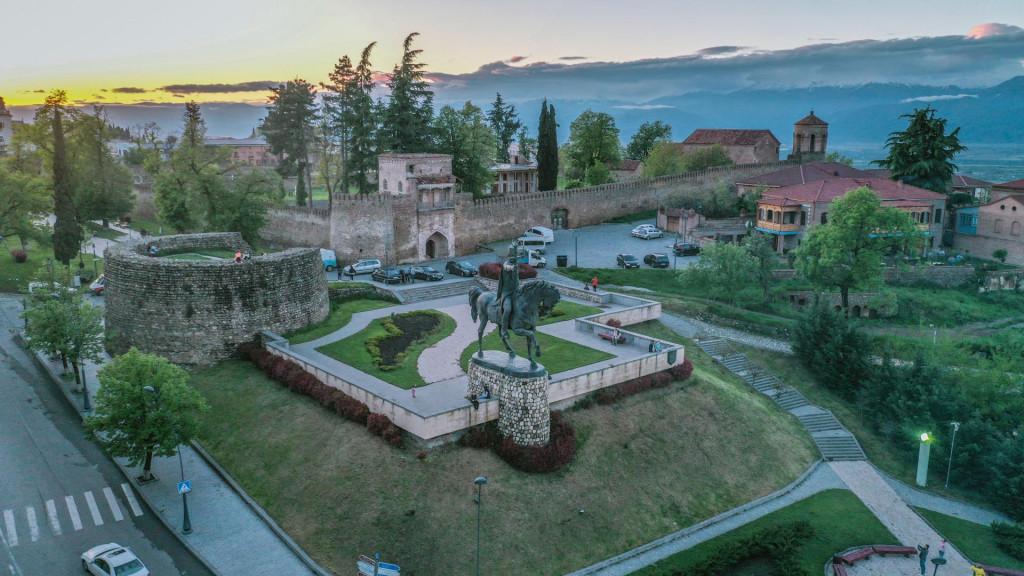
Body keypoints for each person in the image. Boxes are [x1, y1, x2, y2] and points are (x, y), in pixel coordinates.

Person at [495, 246, 520, 334]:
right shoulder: (506, 267)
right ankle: (504, 329)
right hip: (507, 294)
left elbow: (516, 281)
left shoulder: (515, 266)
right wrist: (513, 269)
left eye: (514, 257)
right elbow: (508, 268)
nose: (512, 259)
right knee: (508, 309)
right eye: (511, 257)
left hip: (516, 293)